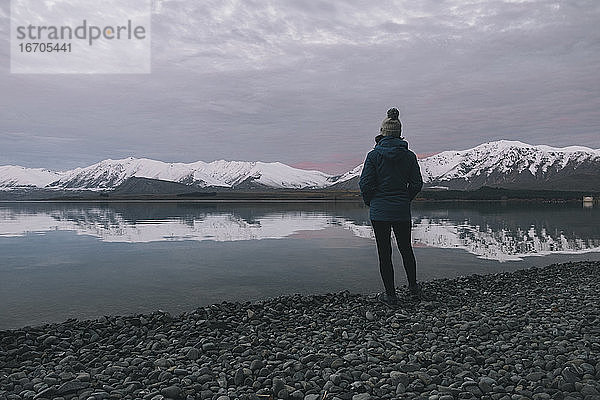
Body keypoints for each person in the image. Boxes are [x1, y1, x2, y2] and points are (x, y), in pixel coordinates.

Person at [359, 107, 423, 306]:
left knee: (384, 253)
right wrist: (405, 198)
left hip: (379, 212)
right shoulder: (409, 156)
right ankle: (413, 289)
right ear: (399, 133)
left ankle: (391, 295)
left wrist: (371, 201)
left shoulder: (373, 156)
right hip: (401, 210)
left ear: (382, 133)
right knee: (406, 250)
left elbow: (365, 184)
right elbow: (416, 184)